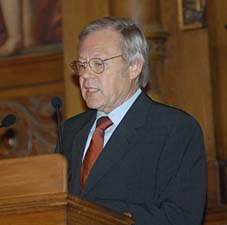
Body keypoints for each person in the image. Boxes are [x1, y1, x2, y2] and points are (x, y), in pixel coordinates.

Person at [55, 17, 206, 225]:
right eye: (81, 65)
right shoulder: (70, 130)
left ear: (134, 67)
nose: (86, 75)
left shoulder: (174, 129)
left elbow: (181, 217)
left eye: (98, 64)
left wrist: (103, 217)